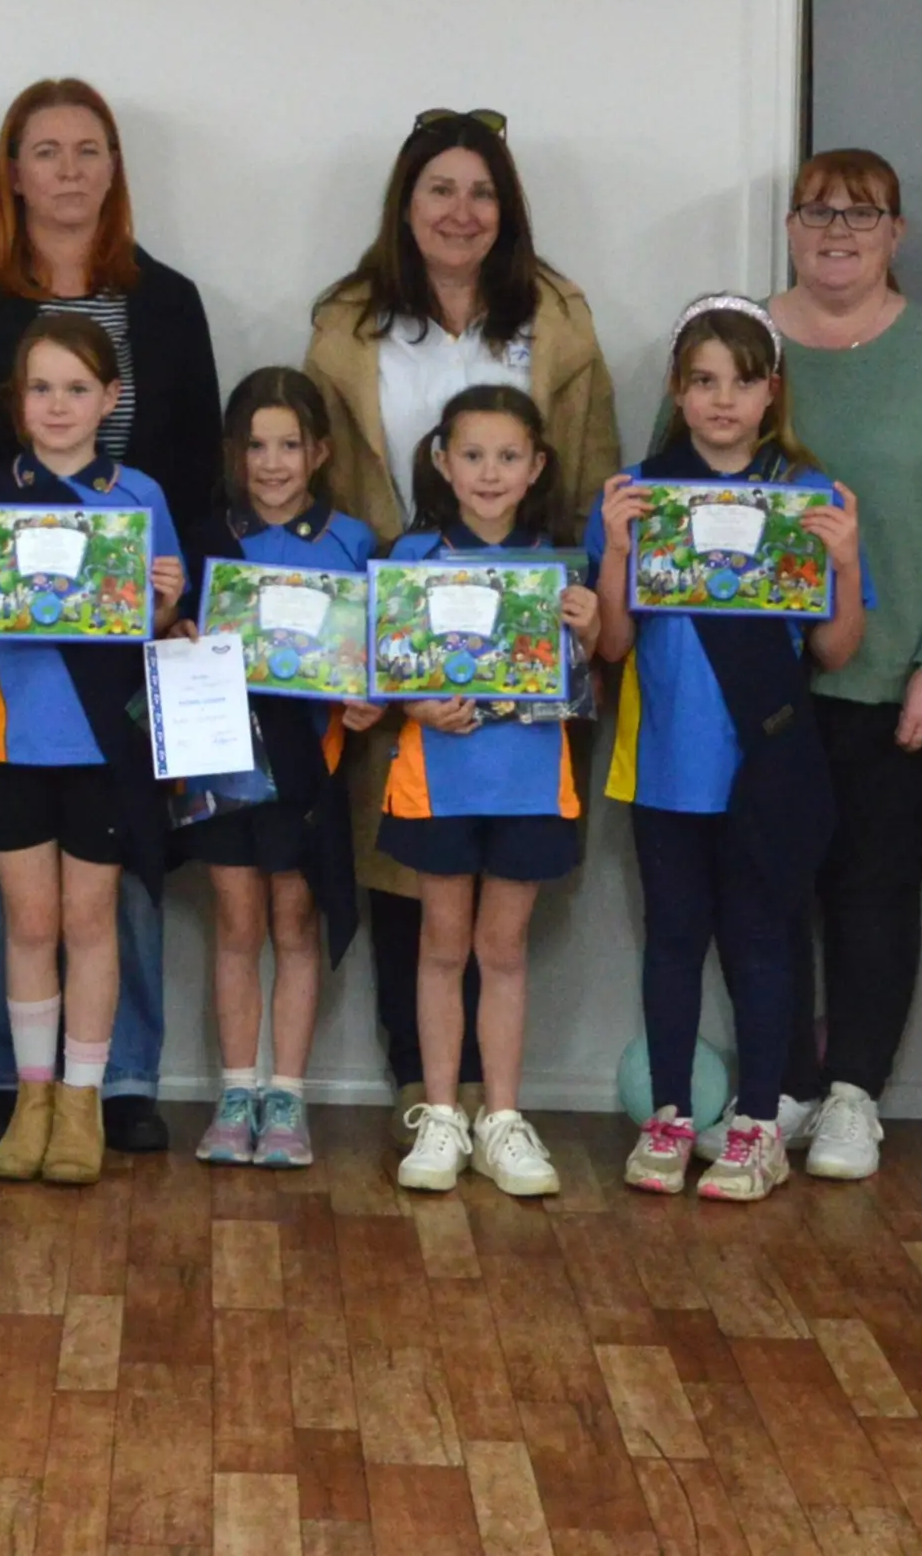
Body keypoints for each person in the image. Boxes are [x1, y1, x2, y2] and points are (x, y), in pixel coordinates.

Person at [0, 80, 221, 1159]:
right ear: (14, 169)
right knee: (11, 890)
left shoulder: (166, 301)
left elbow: (194, 477)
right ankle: (15, 1082)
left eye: (92, 149)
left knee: (118, 876)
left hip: (125, 662)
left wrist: (184, 612)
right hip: (9, 667)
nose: (71, 170)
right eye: (47, 150)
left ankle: (112, 1082)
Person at [302, 110, 619, 1126]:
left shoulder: (556, 317)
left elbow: (593, 473)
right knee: (405, 845)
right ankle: (422, 1083)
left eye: (482, 191)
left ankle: (496, 1095)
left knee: (505, 859)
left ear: (506, 208)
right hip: (398, 621)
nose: (461, 209)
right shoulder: (348, 324)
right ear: (406, 201)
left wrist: (584, 629)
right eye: (439, 188)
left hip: (529, 623)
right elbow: (323, 484)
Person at [766, 149, 922, 1182]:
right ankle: (777, 1081)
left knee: (874, 890)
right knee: (766, 891)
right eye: (820, 209)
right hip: (756, 690)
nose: (840, 229)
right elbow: (674, 500)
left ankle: (855, 1092)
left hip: (897, 685)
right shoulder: (739, 340)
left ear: (897, 233)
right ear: (789, 224)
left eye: (863, 213)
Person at [593, 299, 869, 1205]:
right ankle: (668, 1117)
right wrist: (618, 551)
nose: (722, 400)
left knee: (761, 946)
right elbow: (616, 643)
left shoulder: (811, 497)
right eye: (704, 380)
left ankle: (757, 1123)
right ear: (678, 388)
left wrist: (847, 563)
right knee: (671, 942)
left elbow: (832, 651)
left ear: (770, 392)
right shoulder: (639, 491)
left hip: (767, 768)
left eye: (742, 382)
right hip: (665, 765)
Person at [0, 315, 188, 1188]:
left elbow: (154, 630)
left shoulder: (139, 495)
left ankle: (84, 1100)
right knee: (28, 925)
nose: (59, 404)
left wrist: (163, 600)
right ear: (18, 399)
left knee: (90, 922)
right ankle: (31, 1095)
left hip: (105, 747)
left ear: (111, 398)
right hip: (10, 740)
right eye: (42, 388)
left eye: (78, 388)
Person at [378, 386, 596, 1202]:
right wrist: (415, 701)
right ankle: (441, 1111)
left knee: (502, 951)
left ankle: (501, 1116)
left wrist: (590, 624)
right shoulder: (411, 558)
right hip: (437, 782)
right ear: (442, 460)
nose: (490, 472)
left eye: (509, 456)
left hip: (532, 782)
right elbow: (385, 674)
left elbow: (595, 669)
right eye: (472, 454)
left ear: (537, 465)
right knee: (440, 945)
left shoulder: (562, 564)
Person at [182, 370, 371, 1173]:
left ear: (319, 451)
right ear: (235, 451)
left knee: (296, 921)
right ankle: (236, 1091)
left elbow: (373, 654)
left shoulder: (353, 541)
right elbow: (175, 634)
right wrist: (179, 632)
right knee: (235, 920)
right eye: (256, 445)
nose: (271, 462)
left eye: (289, 444)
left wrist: (369, 698)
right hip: (223, 756)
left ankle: (286, 1092)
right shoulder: (204, 536)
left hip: (308, 762)